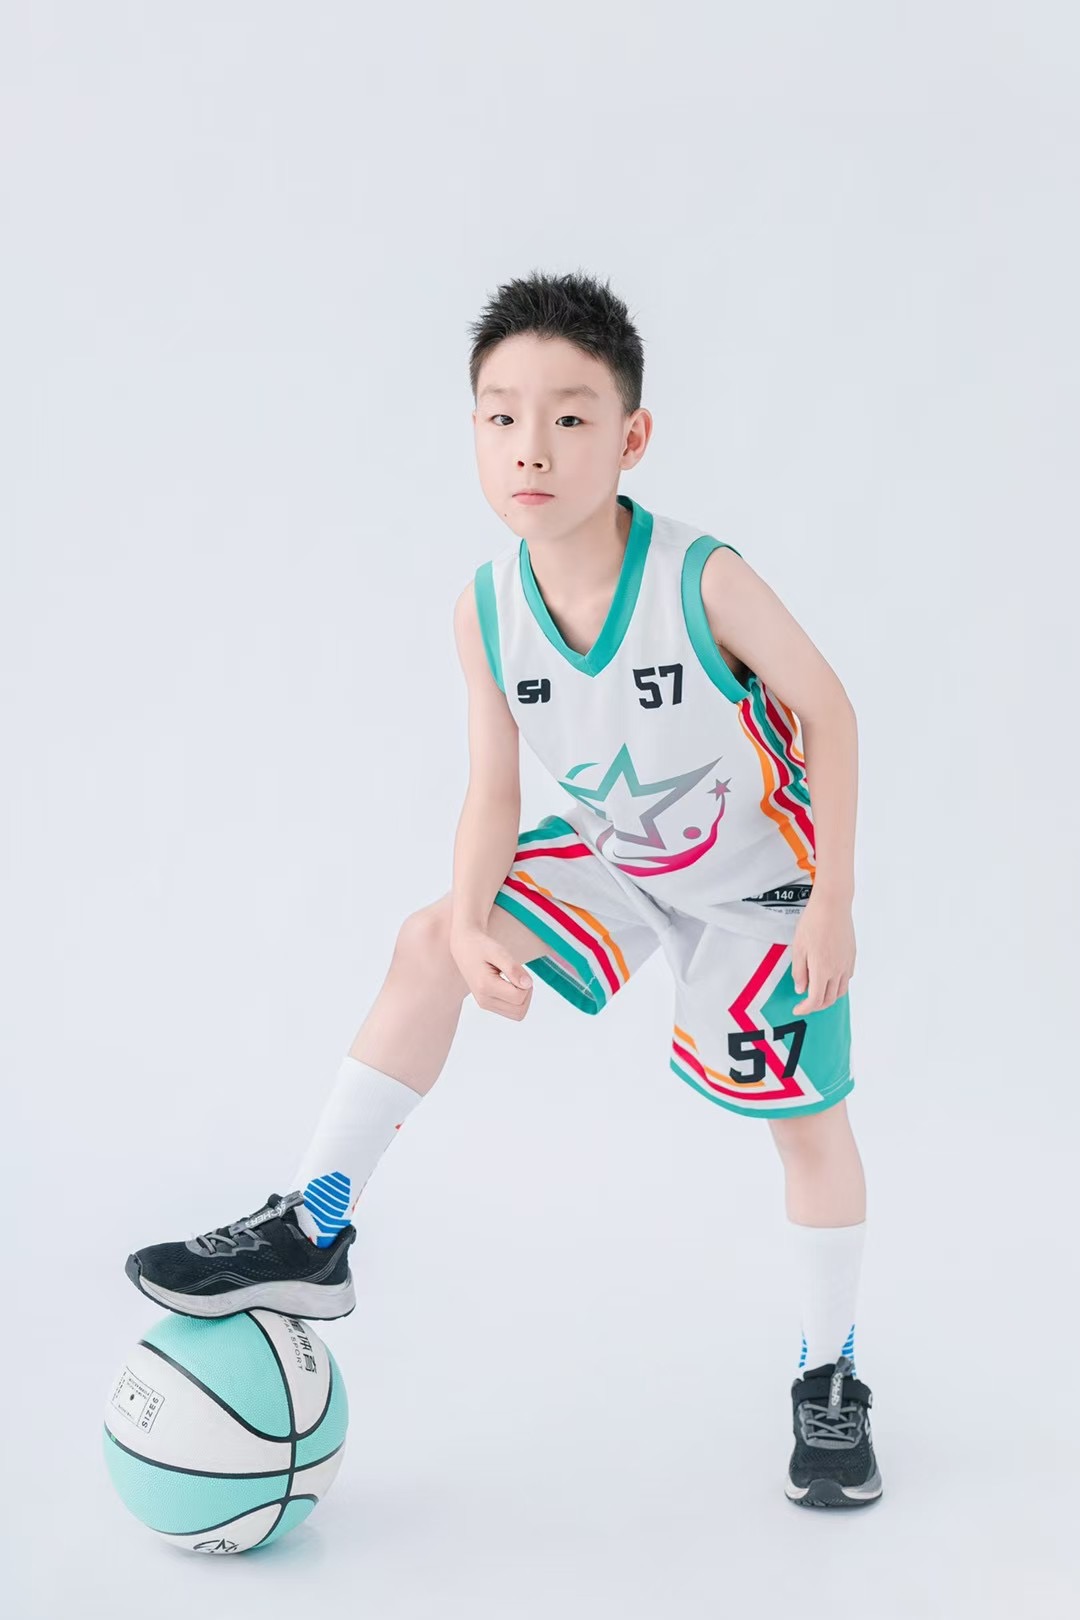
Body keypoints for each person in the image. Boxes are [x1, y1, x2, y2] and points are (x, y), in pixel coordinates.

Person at [125, 271, 882, 1510]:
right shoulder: (486, 609)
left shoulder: (702, 578)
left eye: (571, 417)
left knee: (805, 1127)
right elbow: (495, 790)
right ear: (474, 431)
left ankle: (830, 1372)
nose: (532, 445)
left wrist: (834, 903)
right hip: (621, 856)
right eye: (502, 416)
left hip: (760, 888)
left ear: (632, 436)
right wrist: (475, 920)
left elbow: (832, 712)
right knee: (428, 936)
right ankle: (315, 1226)